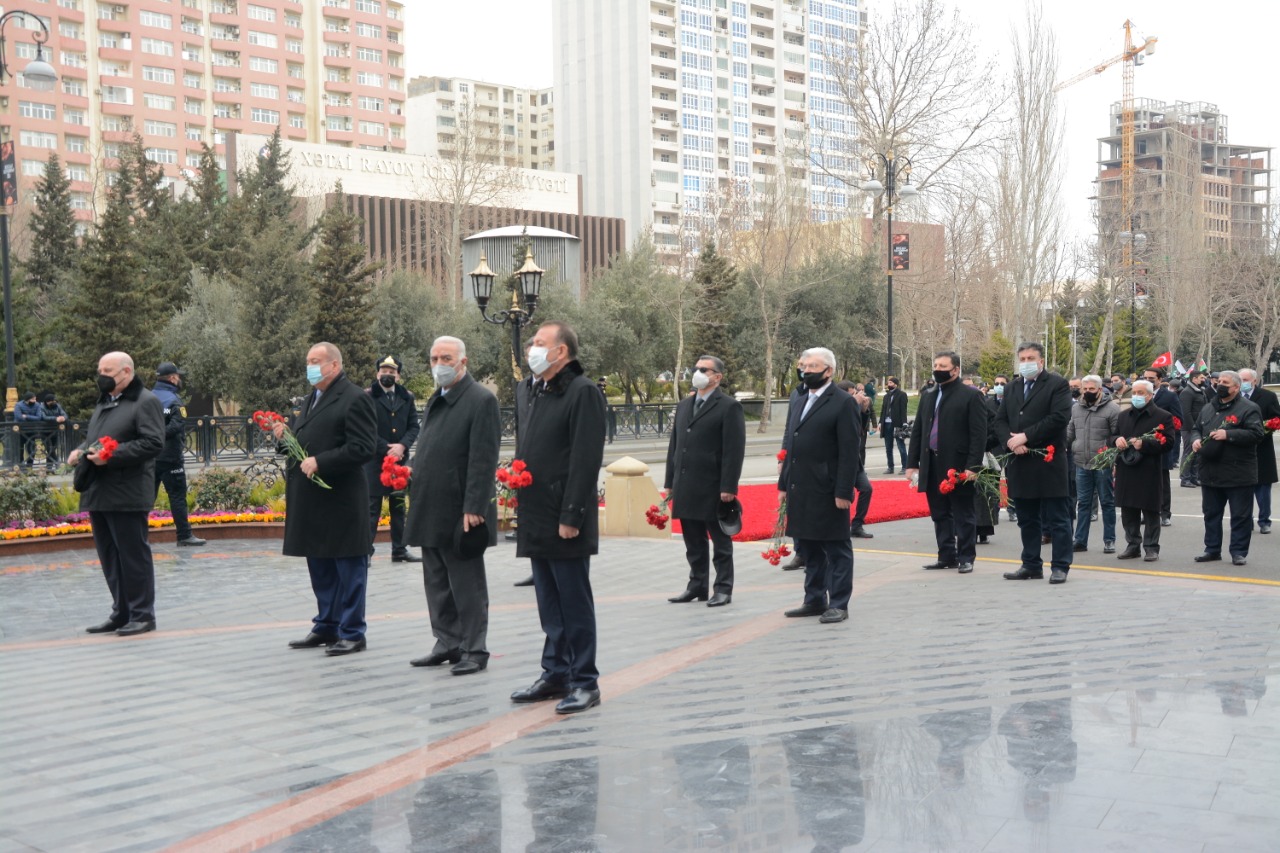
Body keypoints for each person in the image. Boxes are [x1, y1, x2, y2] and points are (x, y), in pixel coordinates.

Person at [510, 322, 607, 714]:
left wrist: (572, 515)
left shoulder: (582, 392)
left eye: (539, 343)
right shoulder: (533, 389)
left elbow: (585, 460)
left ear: (561, 351)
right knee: (549, 602)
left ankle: (585, 680)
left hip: (564, 517)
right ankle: (555, 673)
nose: (532, 349)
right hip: (536, 513)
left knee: (573, 603)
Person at [403, 336, 500, 675]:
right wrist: (410, 471)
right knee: (437, 582)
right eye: (434, 358)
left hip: (462, 510)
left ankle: (475, 649)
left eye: (446, 358)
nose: (439, 364)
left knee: (466, 584)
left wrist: (475, 506)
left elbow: (483, 458)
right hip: (431, 504)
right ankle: (447, 642)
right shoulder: (437, 398)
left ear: (463, 362)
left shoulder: (481, 400)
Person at [278, 343, 378, 656]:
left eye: (315, 361)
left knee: (348, 569)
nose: (310, 367)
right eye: (308, 361)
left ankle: (352, 632)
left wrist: (322, 462)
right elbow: (305, 441)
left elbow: (363, 447)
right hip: (314, 501)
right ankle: (327, 625)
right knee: (321, 567)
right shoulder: (312, 398)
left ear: (334, 365)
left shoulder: (354, 398)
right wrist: (284, 437)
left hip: (341, 500)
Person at [69, 352, 165, 636]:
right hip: (99, 491)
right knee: (110, 557)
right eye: (100, 370)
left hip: (127, 492)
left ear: (126, 372)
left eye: (107, 371)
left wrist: (111, 456)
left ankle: (142, 615)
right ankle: (121, 612)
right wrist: (81, 450)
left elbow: (153, 443)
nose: (102, 376)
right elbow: (97, 438)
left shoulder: (145, 401)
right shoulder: (106, 401)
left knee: (132, 556)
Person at [779, 347, 859, 624]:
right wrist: (783, 484)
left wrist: (844, 490)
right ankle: (814, 599)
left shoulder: (843, 402)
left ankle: (838, 603)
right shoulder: (800, 399)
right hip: (800, 487)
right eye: (804, 366)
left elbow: (850, 451)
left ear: (829, 371)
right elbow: (791, 445)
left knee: (836, 548)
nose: (806, 371)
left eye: (813, 366)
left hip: (828, 488)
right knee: (809, 547)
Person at [664, 355, 746, 607]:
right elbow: (674, 446)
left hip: (713, 486)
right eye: (696, 368)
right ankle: (697, 585)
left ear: (717, 377)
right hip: (686, 484)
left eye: (704, 369)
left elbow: (734, 450)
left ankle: (723, 589)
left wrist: (728, 486)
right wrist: (670, 481)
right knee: (693, 542)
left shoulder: (729, 406)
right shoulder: (684, 405)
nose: (697, 373)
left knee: (720, 543)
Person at [995, 342, 1074, 584]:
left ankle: (1060, 566)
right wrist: (1011, 442)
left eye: (1031, 358)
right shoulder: (1012, 387)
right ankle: (1031, 564)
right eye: (1022, 358)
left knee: (1058, 518)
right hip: (1020, 462)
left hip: (1048, 462)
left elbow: (1059, 418)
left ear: (1041, 361)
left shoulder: (1057, 385)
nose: (1026, 362)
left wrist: (1026, 436)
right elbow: (1000, 420)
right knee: (1027, 518)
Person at [904, 351, 989, 574]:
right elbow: (918, 431)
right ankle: (946, 555)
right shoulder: (928, 395)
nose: (938, 369)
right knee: (939, 513)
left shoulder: (971, 395)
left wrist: (973, 466)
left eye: (943, 366)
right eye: (935, 365)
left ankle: (966, 557)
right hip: (931, 463)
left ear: (956, 370)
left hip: (958, 465)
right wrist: (912, 464)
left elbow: (978, 435)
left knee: (963, 513)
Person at [1191, 370, 1264, 566]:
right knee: (1211, 514)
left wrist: (1229, 435)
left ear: (1236, 388)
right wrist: (1195, 439)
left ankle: (1238, 552)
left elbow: (1257, 434)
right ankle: (1212, 549)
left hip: (1238, 472)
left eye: (1225, 383)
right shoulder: (1209, 407)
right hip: (1210, 470)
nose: (1220, 385)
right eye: (1219, 381)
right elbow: (1196, 428)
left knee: (1240, 515)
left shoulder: (1249, 408)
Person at [365, 355, 421, 562]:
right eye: (384, 371)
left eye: (392, 372)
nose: (387, 375)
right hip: (374, 461)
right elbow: (366, 428)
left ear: (398, 376)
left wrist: (402, 446)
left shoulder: (407, 397)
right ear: (377, 373)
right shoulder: (368, 396)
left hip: (399, 460)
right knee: (372, 509)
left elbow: (414, 426)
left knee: (398, 507)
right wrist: (387, 448)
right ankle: (366, 552)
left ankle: (399, 550)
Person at [1111, 380, 1175, 561]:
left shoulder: (1163, 416)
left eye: (1140, 393)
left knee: (1151, 511)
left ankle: (1151, 547)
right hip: (1126, 468)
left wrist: (1144, 444)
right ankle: (1133, 545)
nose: (1136, 396)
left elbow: (1169, 443)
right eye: (1134, 393)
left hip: (1149, 469)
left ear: (1150, 395)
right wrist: (1116, 440)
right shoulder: (1124, 416)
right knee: (1128, 510)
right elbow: (1112, 435)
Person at [151, 363, 206, 547]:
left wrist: (149, 438)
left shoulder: (148, 397)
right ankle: (184, 535)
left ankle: (134, 536)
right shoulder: (174, 400)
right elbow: (176, 426)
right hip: (170, 458)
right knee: (177, 497)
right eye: (178, 376)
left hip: (149, 456)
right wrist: (158, 435)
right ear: (173, 378)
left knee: (145, 499)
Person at [1067, 375, 1119, 554]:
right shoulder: (1076, 408)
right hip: (1081, 462)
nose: (1087, 392)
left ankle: (1109, 540)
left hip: (1102, 463)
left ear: (1100, 389)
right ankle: (1080, 540)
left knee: (1107, 502)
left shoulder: (1112, 409)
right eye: (1085, 389)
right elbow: (1070, 432)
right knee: (1083, 503)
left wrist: (1113, 461)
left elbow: (1116, 436)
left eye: (1091, 389)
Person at [1141, 367, 1183, 527]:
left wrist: (1162, 431)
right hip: (1143, 445)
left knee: (1162, 482)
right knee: (1144, 482)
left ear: (1159, 379)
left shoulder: (1170, 396)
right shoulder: (1139, 394)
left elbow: (1178, 419)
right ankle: (1147, 513)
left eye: (1151, 378)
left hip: (1161, 444)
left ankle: (1165, 513)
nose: (1148, 380)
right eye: (1145, 377)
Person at [1238, 368, 1278, 534]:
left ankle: (1264, 520)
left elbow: (1276, 418)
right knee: (1242, 489)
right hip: (1239, 449)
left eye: (1246, 380)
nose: (1243, 383)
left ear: (1254, 381)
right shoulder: (1234, 396)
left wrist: (1264, 428)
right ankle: (1246, 520)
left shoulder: (1268, 396)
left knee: (1263, 488)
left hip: (1262, 448)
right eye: (1240, 380)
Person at [836, 381, 876, 539]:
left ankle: (857, 525)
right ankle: (839, 527)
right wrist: (854, 404)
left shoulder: (852, 407)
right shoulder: (837, 407)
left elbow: (859, 429)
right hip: (840, 461)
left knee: (866, 489)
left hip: (854, 460)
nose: (856, 397)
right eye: (852, 394)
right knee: (845, 495)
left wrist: (864, 411)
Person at [1179, 370, 1210, 487]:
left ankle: (1194, 477)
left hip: (1199, 427)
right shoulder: (1187, 392)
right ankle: (1185, 478)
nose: (1204, 380)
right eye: (1201, 378)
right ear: (1194, 379)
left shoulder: (1200, 391)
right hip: (1189, 428)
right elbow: (1186, 413)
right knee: (1189, 453)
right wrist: (1193, 428)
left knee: (1197, 453)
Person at [879, 375, 908, 474]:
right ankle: (890, 467)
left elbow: (903, 409)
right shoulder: (886, 396)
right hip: (886, 423)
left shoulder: (902, 395)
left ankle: (905, 467)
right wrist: (880, 422)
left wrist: (904, 422)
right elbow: (883, 410)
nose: (888, 384)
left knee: (901, 446)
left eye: (890, 382)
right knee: (888, 447)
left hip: (897, 424)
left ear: (895, 384)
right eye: (888, 382)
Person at [39, 392, 68, 471]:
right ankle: (57, 465)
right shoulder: (41, 407)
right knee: (49, 449)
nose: (54, 402)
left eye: (54, 401)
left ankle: (49, 468)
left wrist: (63, 418)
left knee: (52, 449)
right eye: (52, 401)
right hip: (45, 431)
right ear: (47, 402)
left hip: (55, 431)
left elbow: (64, 414)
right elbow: (43, 417)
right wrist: (55, 418)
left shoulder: (57, 406)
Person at [14, 390, 42, 469]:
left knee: (31, 448)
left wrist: (26, 416)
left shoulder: (37, 405)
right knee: (20, 448)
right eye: (33, 399)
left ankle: (30, 466)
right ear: (27, 399)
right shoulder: (18, 405)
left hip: (32, 430)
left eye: (35, 399)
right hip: (20, 430)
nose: (35, 401)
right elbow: (18, 417)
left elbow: (39, 417)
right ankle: (21, 466)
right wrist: (32, 418)